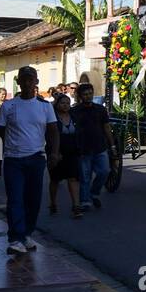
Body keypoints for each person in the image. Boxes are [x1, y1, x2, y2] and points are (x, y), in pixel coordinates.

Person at [0, 66, 60, 255]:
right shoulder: (8, 106)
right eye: (23, 79)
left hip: (36, 159)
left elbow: (53, 131)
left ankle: (27, 234)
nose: (27, 83)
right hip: (14, 159)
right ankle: (15, 238)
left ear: (36, 82)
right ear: (18, 82)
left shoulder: (45, 106)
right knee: (15, 199)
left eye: (31, 79)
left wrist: (54, 153)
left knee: (33, 200)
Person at [71, 81, 115, 210]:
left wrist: (112, 145)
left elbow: (106, 127)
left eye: (90, 93)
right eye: (85, 94)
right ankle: (85, 201)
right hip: (83, 148)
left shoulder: (100, 109)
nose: (88, 96)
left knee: (104, 172)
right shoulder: (74, 111)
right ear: (80, 96)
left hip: (100, 147)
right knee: (85, 177)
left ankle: (94, 193)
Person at [47, 93, 85, 218]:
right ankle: (53, 203)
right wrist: (54, 152)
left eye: (68, 103)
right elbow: (49, 136)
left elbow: (79, 133)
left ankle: (76, 206)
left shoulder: (74, 116)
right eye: (62, 103)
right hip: (57, 152)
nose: (65, 105)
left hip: (72, 152)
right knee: (55, 179)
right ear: (57, 104)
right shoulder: (52, 118)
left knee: (73, 178)